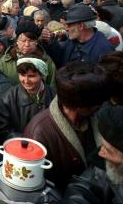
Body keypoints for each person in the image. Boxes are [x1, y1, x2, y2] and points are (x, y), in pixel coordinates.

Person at [24, 62, 108, 191]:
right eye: (97, 103)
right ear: (80, 105)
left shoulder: (95, 118)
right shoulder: (39, 133)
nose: (100, 106)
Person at [61, 103, 123, 203]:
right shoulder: (104, 165)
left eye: (109, 151)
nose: (100, 153)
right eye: (102, 145)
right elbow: (83, 189)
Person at [0, 57, 55, 142]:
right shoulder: (7, 98)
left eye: (31, 76)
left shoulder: (55, 97)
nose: (26, 81)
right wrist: (25, 141)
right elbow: (3, 130)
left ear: (42, 75)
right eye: (22, 75)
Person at [41, 3, 115, 68]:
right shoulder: (72, 40)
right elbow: (60, 58)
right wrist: (50, 41)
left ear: (81, 26)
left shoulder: (104, 50)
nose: (66, 28)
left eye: (69, 25)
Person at [0, 21, 57, 86]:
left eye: (31, 41)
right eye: (23, 41)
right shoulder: (5, 61)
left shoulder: (46, 61)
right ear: (17, 41)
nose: (27, 44)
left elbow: (52, 86)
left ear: (36, 42)